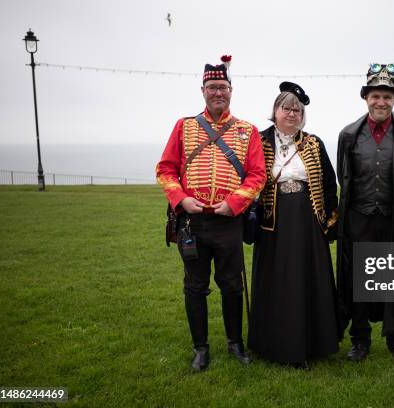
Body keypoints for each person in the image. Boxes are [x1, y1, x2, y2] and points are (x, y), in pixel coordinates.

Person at [156, 55, 266, 372]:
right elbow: (166, 170)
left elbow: (257, 175)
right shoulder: (184, 126)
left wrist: (234, 203)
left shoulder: (248, 130)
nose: (218, 92)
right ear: (203, 90)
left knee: (232, 285)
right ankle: (200, 349)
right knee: (195, 286)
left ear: (231, 90)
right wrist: (180, 200)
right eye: (212, 87)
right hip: (192, 222)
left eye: (223, 87)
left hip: (229, 222)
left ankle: (235, 343)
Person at [336, 63, 394, 364]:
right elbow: (344, 179)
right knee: (358, 280)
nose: (381, 102)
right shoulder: (348, 134)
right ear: (366, 98)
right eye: (376, 95)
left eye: (387, 96)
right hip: (358, 219)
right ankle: (359, 339)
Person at [248, 82, 340, 368]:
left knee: (306, 280)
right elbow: (248, 178)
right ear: (275, 111)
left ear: (302, 115)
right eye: (286, 108)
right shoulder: (258, 141)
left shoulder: (313, 143)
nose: (291, 114)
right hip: (271, 224)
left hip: (308, 224)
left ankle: (311, 343)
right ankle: (272, 343)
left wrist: (331, 222)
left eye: (297, 110)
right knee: (277, 282)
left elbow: (328, 184)